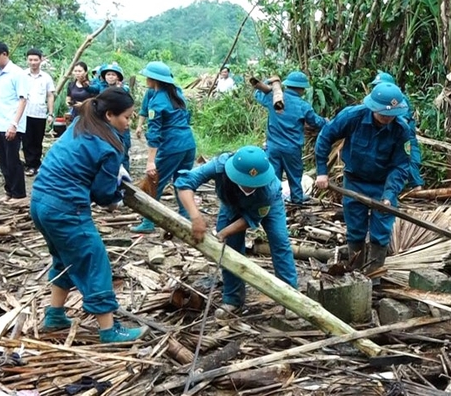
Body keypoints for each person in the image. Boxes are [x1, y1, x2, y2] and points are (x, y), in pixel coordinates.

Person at [30, 87, 148, 343]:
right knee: (94, 262)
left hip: (40, 202)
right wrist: (115, 192)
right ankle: (109, 330)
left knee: (64, 258)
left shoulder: (81, 124)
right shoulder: (109, 145)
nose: (129, 123)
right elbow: (104, 194)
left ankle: (55, 315)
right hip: (65, 209)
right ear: (109, 115)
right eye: (127, 117)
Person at [176, 145, 298, 318]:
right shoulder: (219, 166)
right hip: (231, 204)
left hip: (269, 206)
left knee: (280, 243)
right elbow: (185, 183)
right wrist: (195, 217)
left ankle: (291, 299)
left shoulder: (268, 189)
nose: (249, 188)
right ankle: (233, 300)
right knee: (230, 249)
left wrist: (223, 233)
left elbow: (251, 219)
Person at [314, 82, 414, 280]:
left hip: (383, 183)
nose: (387, 119)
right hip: (355, 181)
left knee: (381, 231)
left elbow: (401, 165)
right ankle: (356, 273)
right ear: (372, 107)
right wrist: (321, 172)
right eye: (383, 114)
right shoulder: (352, 117)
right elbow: (326, 136)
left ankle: (374, 277)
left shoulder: (401, 129)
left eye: (391, 115)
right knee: (356, 229)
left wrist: (389, 194)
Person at [131, 62, 196, 234]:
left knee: (154, 182)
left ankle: (148, 221)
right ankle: (185, 217)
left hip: (172, 147)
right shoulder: (177, 93)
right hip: (188, 144)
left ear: (153, 79)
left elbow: (155, 133)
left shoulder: (158, 101)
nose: (146, 79)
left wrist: (151, 161)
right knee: (181, 181)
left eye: (147, 76)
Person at [253, 71, 326, 204]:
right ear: (302, 89)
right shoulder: (303, 105)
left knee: (273, 176)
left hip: (273, 146)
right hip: (292, 148)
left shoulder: (273, 97)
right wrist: (327, 122)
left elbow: (257, 94)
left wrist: (270, 82)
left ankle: (273, 201)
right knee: (294, 174)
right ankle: (297, 200)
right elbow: (316, 122)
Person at [0, 41, 28, 205]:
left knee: (13, 161)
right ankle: (9, 191)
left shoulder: (17, 73)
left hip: (11, 125)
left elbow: (23, 100)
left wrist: (14, 124)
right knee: (3, 161)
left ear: (4, 54)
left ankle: (20, 195)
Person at [371, 71, 424, 189]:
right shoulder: (378, 98)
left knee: (408, 158)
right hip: (388, 134)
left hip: (403, 135)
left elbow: (402, 120)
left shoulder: (397, 99)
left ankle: (416, 186)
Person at [22, 48, 56, 176]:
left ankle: (37, 164)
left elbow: (50, 95)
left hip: (40, 113)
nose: (33, 62)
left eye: (35, 60)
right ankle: (30, 165)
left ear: (41, 60)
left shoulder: (46, 77)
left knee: (37, 140)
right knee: (27, 140)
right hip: (25, 113)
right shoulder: (22, 75)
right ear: (27, 60)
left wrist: (51, 113)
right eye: (30, 60)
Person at [96, 63, 132, 171]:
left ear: (118, 77)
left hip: (120, 123)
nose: (110, 77)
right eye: (108, 74)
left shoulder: (124, 89)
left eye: (113, 74)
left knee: (123, 149)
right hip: (106, 123)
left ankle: (125, 177)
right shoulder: (101, 88)